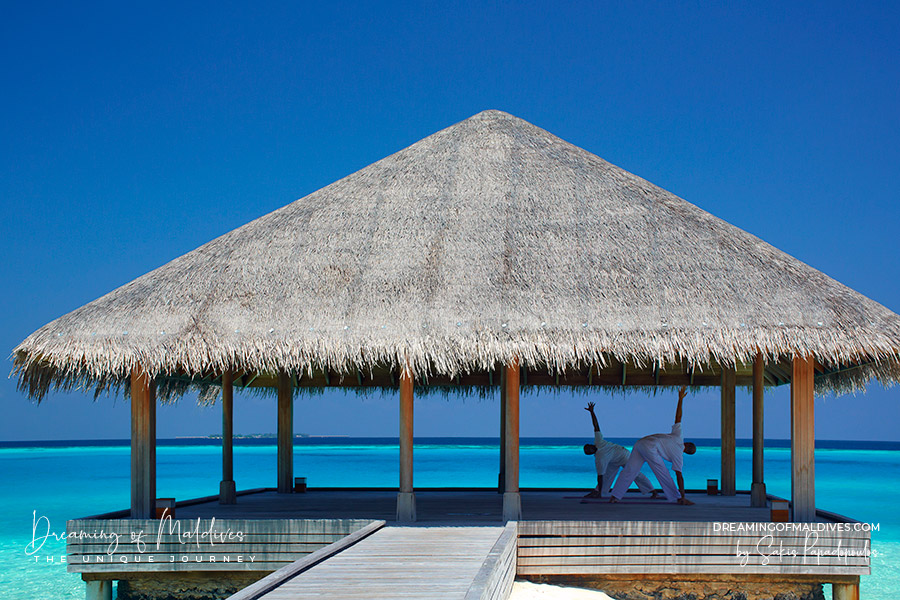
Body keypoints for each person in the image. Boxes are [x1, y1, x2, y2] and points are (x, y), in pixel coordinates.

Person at [610, 386, 697, 505]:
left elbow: (678, 418)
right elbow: (679, 476)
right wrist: (683, 494)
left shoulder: (678, 436)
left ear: (687, 443)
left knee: (629, 470)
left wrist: (680, 399)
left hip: (640, 443)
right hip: (650, 447)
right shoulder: (678, 456)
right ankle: (678, 498)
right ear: (686, 452)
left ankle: (614, 496)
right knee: (663, 474)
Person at [582, 401, 657, 499]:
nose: (590, 447)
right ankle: (598, 492)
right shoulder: (600, 458)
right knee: (607, 475)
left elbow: (596, 426)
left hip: (624, 456)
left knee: (635, 473)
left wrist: (592, 412)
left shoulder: (598, 442)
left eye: (588, 446)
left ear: (591, 444)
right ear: (591, 453)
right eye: (589, 450)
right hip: (613, 460)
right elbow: (600, 476)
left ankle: (653, 491)